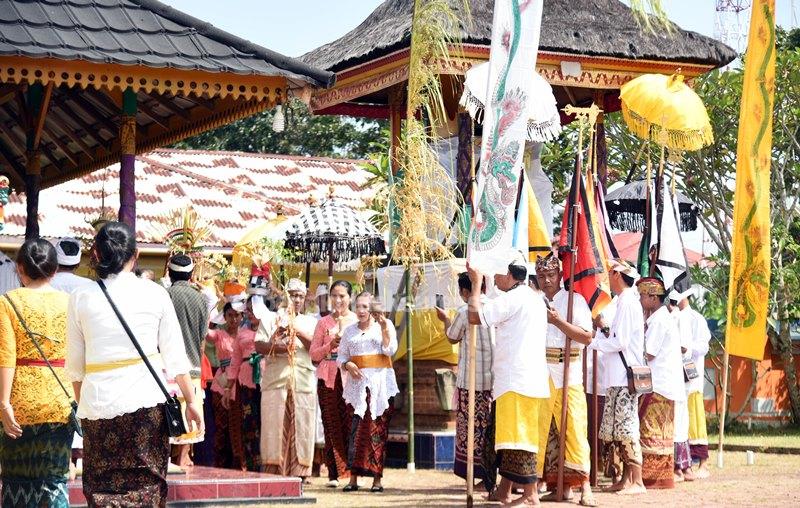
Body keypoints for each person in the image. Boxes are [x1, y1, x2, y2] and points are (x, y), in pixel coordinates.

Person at [66, 221, 202, 506]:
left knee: (101, 491)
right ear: (136, 254)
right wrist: (191, 401)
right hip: (146, 406)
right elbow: (175, 358)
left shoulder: (81, 298)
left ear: (98, 255)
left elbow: (76, 368)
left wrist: (86, 408)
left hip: (98, 406)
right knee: (148, 487)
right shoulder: (154, 293)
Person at [468, 249, 549, 506]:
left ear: (508, 274)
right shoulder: (531, 297)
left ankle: (530, 495)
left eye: (496, 274)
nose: (494, 278)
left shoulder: (514, 298)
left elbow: (474, 315)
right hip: (526, 380)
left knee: (518, 439)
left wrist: (476, 285)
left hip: (517, 381)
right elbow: (492, 304)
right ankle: (504, 491)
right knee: (506, 438)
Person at [0, 239, 74, 506]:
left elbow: (6, 357)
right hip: (59, 401)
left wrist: (4, 403)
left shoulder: (8, 302)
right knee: (54, 481)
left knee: (16, 483)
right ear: (54, 270)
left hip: (20, 403)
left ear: (20, 269)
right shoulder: (69, 303)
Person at [533, 253, 596, 506]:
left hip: (569, 372)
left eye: (551, 275)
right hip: (541, 372)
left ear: (560, 275)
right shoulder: (533, 301)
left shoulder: (574, 300)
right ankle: (553, 484)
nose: (547, 280)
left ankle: (584, 486)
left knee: (575, 429)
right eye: (542, 276)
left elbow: (587, 337)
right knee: (545, 431)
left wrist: (559, 321)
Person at [435, 272, 496, 491]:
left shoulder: (464, 311)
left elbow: (452, 336)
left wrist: (445, 321)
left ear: (464, 292)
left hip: (472, 383)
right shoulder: (497, 308)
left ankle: (478, 476)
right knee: (491, 430)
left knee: (472, 432)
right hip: (496, 382)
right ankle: (491, 477)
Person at [591, 260, 646, 495]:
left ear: (616, 275)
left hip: (624, 378)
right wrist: (602, 334)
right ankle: (625, 479)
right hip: (617, 377)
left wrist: (593, 342)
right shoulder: (624, 301)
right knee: (617, 430)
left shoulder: (627, 303)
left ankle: (637, 481)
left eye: (610, 273)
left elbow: (620, 342)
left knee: (627, 428)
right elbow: (617, 337)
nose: (607, 278)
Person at [257, 280, 318, 478]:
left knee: (303, 427)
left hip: (303, 382)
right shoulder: (271, 318)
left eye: (300, 296)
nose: (297, 300)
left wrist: (297, 331)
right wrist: (279, 345)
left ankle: (300, 472)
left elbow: (315, 350)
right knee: (273, 427)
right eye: (293, 295)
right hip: (276, 381)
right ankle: (274, 471)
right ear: (285, 296)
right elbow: (259, 346)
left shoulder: (311, 322)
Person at [338, 292, 398, 492]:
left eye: (365, 307)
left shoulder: (385, 325)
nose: (361, 311)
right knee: (355, 430)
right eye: (359, 306)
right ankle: (353, 478)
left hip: (378, 386)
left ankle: (376, 479)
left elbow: (390, 350)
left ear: (372, 309)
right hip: (356, 387)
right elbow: (341, 357)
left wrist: (383, 328)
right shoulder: (349, 331)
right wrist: (348, 365)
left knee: (376, 431)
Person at [636, 277, 683, 490]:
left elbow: (650, 353)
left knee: (650, 430)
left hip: (657, 385)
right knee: (663, 431)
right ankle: (661, 476)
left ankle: (652, 477)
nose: (640, 300)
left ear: (653, 297)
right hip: (666, 384)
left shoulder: (658, 320)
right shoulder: (663, 317)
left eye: (642, 296)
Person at [309, 280, 358, 488]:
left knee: (350, 423)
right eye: (334, 296)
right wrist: (331, 344)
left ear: (351, 298)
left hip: (350, 377)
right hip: (327, 377)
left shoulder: (357, 321)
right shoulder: (323, 323)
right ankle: (334, 473)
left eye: (342, 296)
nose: (338, 300)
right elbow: (313, 355)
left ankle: (351, 472)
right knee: (330, 423)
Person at [165, 253, 210, 467]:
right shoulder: (202, 300)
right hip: (192, 361)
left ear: (170, 273)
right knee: (188, 407)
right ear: (191, 274)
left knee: (167, 408)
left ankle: (167, 456)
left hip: (166, 363)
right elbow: (202, 338)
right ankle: (183, 456)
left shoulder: (165, 295)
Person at [675, 290, 712, 478]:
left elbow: (704, 345)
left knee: (694, 419)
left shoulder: (696, 318)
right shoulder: (672, 316)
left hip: (692, 374)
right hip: (676, 376)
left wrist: (687, 349)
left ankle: (703, 463)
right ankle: (684, 461)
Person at [206, 303, 244, 470]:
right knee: (221, 425)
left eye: (237, 315)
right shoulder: (219, 334)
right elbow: (205, 333)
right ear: (225, 317)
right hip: (221, 383)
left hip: (240, 383)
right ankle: (220, 465)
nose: (233, 319)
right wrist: (211, 311)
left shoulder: (245, 335)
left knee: (239, 424)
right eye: (230, 315)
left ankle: (239, 464)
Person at [227, 298, 262, 471]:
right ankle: (251, 463)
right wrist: (228, 387)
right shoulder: (242, 332)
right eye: (248, 309)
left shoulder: (270, 328)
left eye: (252, 309)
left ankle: (269, 463)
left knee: (266, 421)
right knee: (249, 422)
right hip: (246, 381)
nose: (249, 312)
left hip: (267, 379)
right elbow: (234, 360)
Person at [669, 293, 694, 483]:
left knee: (678, 419)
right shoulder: (678, 317)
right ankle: (682, 466)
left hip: (677, 374)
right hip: (676, 375)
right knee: (680, 419)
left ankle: (679, 467)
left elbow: (684, 347)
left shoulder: (679, 317)